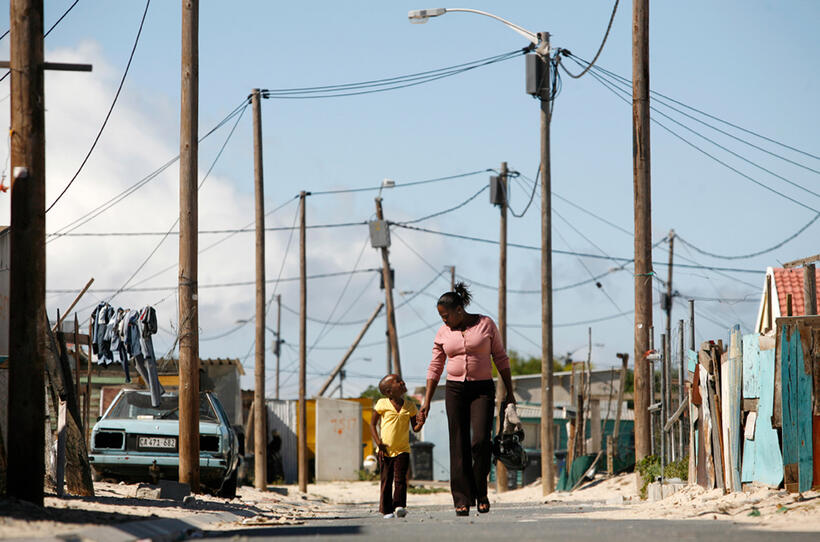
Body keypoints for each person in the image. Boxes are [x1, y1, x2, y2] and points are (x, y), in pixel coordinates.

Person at [419, 282, 514, 516]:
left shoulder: (486, 324)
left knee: (481, 441)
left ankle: (480, 491)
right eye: (441, 317)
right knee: (458, 445)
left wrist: (510, 392)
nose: (444, 321)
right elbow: (435, 367)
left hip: (482, 389)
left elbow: (500, 358)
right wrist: (427, 401)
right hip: (454, 390)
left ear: (459, 310)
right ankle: (461, 498)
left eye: (446, 316)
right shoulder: (443, 333)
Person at [369, 374, 424, 519]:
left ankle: (399, 505)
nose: (402, 382)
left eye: (401, 380)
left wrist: (421, 421)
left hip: (402, 449)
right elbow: (372, 424)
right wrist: (378, 443)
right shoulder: (382, 404)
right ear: (389, 392)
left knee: (400, 479)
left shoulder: (410, 406)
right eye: (397, 382)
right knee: (386, 480)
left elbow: (415, 428)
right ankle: (386, 510)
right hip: (385, 450)